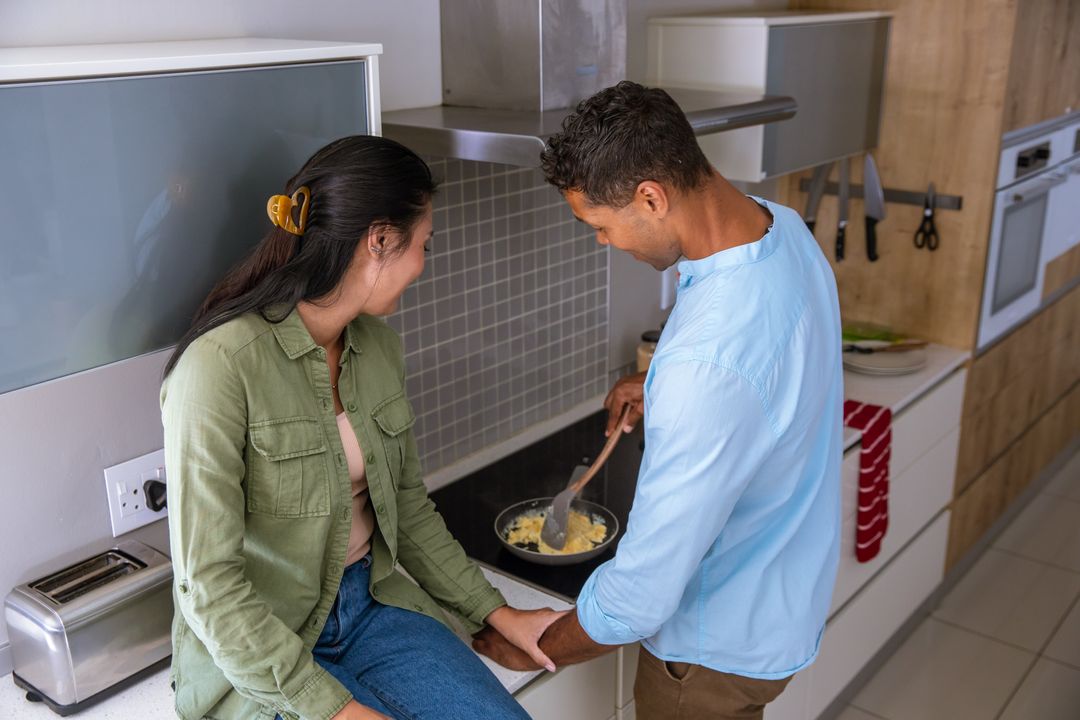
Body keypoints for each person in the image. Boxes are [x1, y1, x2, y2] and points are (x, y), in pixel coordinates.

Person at [473, 81, 844, 720]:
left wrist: (540, 641)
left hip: (707, 658)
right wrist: (661, 388)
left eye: (600, 225)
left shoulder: (707, 365)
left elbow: (638, 599)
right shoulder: (781, 228)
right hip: (784, 602)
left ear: (651, 197)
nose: (603, 242)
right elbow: (775, 362)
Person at [161, 135, 560, 720]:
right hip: (255, 649)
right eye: (423, 244)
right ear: (378, 240)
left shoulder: (378, 348)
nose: (423, 263)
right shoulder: (219, 368)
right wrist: (334, 711)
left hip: (370, 606)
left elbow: (408, 506)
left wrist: (496, 613)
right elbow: (210, 588)